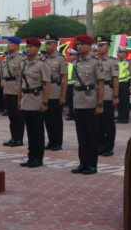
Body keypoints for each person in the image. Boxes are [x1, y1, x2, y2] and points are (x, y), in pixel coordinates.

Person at [71, 34, 105, 175]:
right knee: (81, 136)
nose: (79, 46)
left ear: (90, 46)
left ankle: (92, 165)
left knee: (91, 136)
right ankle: (82, 163)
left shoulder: (96, 63)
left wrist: (100, 104)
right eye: (78, 44)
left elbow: (101, 84)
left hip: (91, 102)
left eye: (82, 44)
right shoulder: (76, 62)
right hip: (79, 102)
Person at [18, 38, 51, 168]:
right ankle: (31, 157)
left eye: (31, 46)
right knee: (30, 131)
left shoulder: (42, 64)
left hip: (37, 99)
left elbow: (47, 84)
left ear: (37, 49)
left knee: (37, 131)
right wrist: (19, 100)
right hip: (26, 99)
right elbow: (20, 84)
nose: (28, 49)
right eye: (27, 46)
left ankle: (38, 158)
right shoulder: (23, 64)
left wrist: (45, 102)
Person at [41, 35, 68, 151]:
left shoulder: (61, 59)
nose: (46, 46)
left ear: (55, 45)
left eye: (49, 43)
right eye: (46, 43)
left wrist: (63, 95)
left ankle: (57, 142)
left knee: (56, 119)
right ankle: (51, 141)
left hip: (55, 91)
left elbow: (65, 78)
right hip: (44, 91)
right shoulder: (42, 58)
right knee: (47, 119)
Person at [95, 36, 119, 156]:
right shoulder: (94, 60)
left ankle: (109, 146)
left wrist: (115, 96)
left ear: (108, 47)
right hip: (95, 95)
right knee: (97, 123)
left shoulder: (112, 61)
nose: (99, 47)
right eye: (98, 45)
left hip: (108, 94)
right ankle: (100, 145)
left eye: (102, 45)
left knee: (108, 123)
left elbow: (115, 80)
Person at [2, 37, 26, 147]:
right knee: (11, 116)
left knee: (18, 116)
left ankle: (19, 139)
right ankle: (13, 137)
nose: (9, 45)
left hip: (16, 89)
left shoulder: (21, 58)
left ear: (17, 46)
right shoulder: (6, 57)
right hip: (7, 88)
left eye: (11, 43)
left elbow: (23, 76)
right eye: (9, 43)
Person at [116, 46, 131, 123]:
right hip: (117, 83)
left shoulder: (129, 62)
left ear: (124, 53)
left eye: (120, 52)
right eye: (118, 52)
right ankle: (120, 116)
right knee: (118, 100)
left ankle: (125, 118)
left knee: (125, 101)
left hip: (125, 83)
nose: (119, 54)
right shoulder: (116, 62)